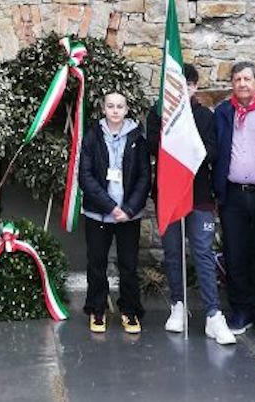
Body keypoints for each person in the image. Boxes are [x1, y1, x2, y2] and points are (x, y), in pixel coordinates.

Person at [148, 64, 235, 345]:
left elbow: (213, 151)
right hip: (170, 194)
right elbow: (151, 148)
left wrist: (189, 150)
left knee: (202, 252)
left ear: (194, 87)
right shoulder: (157, 114)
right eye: (177, 84)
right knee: (172, 252)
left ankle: (212, 313)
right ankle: (178, 305)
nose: (182, 89)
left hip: (199, 196)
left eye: (188, 84)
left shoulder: (204, 115)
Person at [213, 61, 255, 340]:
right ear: (232, 83)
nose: (242, 84)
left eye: (247, 79)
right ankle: (240, 310)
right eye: (237, 79)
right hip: (233, 195)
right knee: (235, 254)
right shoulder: (223, 112)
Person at [80, 92, 150, 334]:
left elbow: (144, 176)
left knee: (128, 265)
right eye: (110, 106)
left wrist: (128, 209)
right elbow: (85, 176)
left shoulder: (137, 138)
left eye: (120, 106)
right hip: (99, 213)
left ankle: (130, 310)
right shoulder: (92, 136)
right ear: (104, 109)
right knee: (97, 263)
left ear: (127, 109)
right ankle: (97, 309)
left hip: (129, 215)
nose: (115, 110)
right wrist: (109, 206)